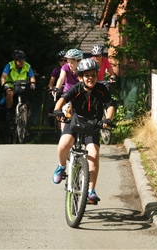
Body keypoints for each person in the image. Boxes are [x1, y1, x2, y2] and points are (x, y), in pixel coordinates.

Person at [52, 58, 113, 202]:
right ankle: (61, 167)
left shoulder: (102, 89)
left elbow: (109, 105)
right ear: (80, 77)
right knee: (64, 144)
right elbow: (63, 99)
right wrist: (57, 110)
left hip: (93, 125)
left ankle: (91, 190)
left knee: (94, 153)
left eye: (93, 75)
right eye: (87, 75)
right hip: (75, 122)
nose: (90, 78)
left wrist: (107, 120)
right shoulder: (77, 88)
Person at [52, 48, 83, 129]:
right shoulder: (66, 67)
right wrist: (57, 88)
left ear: (78, 61)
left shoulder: (83, 68)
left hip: (81, 92)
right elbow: (61, 78)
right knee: (65, 114)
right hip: (68, 92)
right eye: (68, 62)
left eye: (72, 62)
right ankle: (64, 132)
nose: (69, 65)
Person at [0, 50, 36, 116]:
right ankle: (9, 112)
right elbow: (3, 77)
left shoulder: (28, 66)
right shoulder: (9, 65)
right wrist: (4, 85)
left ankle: (24, 122)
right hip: (11, 86)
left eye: (23, 60)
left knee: (25, 103)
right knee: (9, 94)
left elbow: (32, 77)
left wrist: (33, 84)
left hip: (23, 86)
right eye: (20, 61)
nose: (22, 62)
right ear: (15, 60)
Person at [91, 44, 117, 120]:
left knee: (107, 89)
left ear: (101, 55)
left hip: (101, 82)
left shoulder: (105, 61)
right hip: (92, 83)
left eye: (98, 55)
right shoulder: (91, 61)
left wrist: (112, 78)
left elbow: (112, 74)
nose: (96, 58)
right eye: (95, 56)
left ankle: (108, 113)